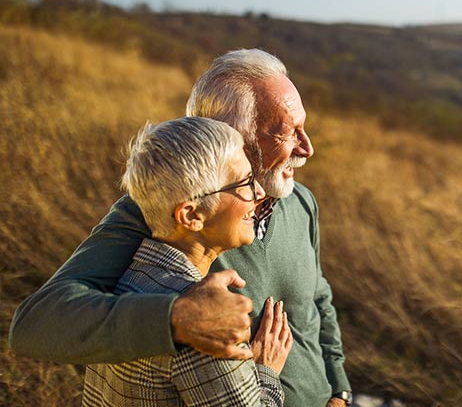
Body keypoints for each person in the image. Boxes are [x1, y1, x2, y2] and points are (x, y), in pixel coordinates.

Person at [10, 49, 352, 407]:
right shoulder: (158, 210)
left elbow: (318, 300)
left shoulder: (301, 201)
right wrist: (177, 318)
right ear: (228, 135)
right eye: (286, 132)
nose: (307, 148)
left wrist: (340, 391)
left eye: (303, 127)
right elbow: (36, 325)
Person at [83, 117, 290, 406]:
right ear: (191, 216)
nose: (258, 193)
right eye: (243, 183)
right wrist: (266, 370)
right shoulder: (207, 326)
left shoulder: (122, 281)